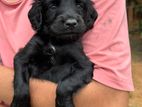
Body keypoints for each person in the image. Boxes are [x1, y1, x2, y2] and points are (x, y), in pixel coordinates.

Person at [0, 0, 134, 107]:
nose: (71, 20)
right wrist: (21, 94)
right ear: (40, 14)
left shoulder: (74, 46)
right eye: (53, 5)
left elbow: (87, 69)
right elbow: (21, 60)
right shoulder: (37, 42)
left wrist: (64, 91)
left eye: (79, 4)